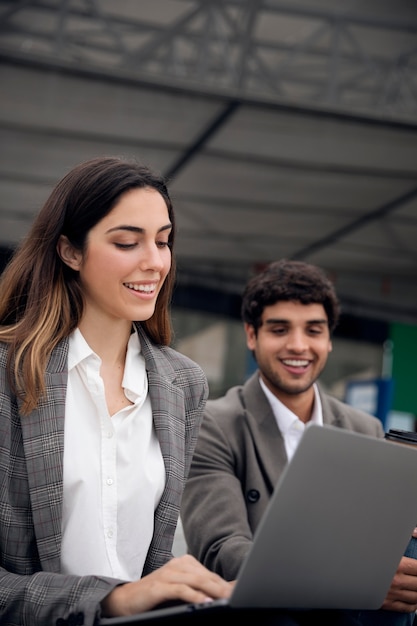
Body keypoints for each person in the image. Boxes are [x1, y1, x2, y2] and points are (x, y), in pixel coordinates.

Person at [0, 156, 234, 626]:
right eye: (127, 242)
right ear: (70, 251)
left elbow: (150, 559)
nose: (154, 262)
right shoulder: (8, 373)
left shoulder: (182, 385)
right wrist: (111, 599)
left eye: (163, 241)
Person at [181, 259, 417, 626]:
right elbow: (222, 551)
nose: (298, 346)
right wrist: (355, 581)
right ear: (251, 335)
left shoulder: (364, 428)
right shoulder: (214, 424)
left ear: (328, 339)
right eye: (279, 329)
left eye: (313, 330)